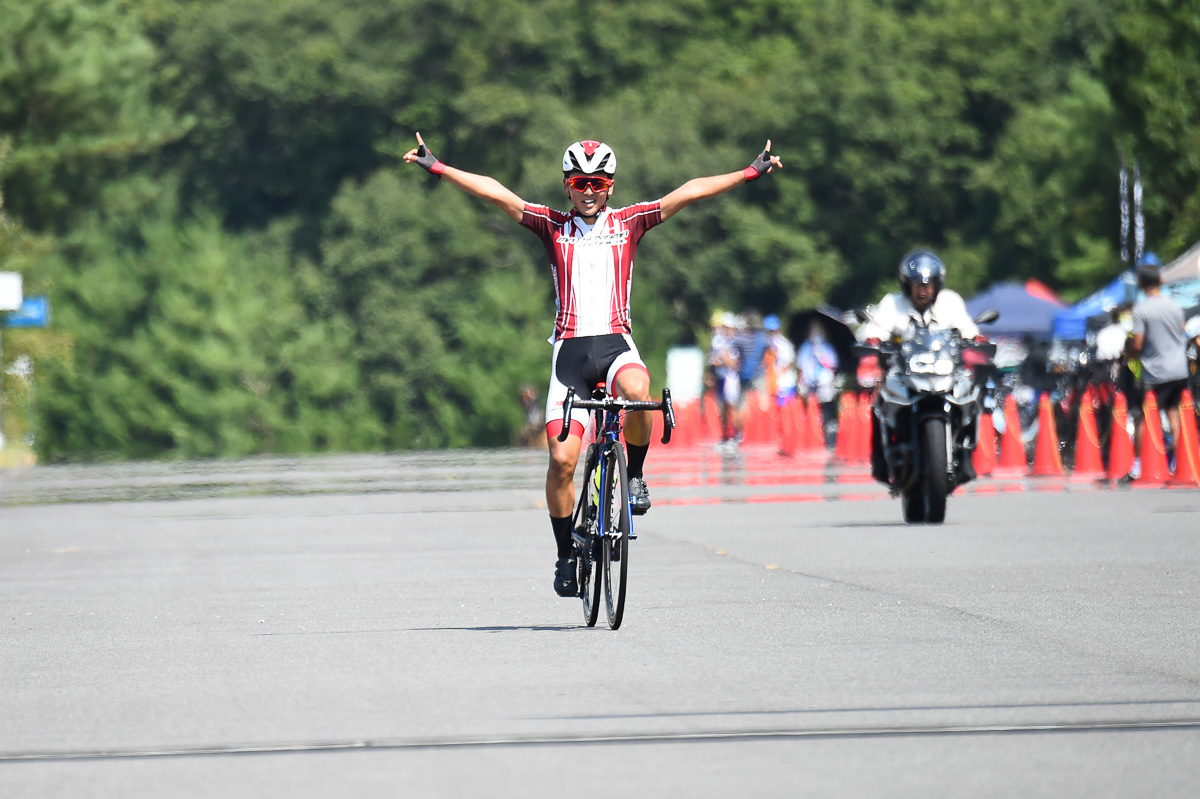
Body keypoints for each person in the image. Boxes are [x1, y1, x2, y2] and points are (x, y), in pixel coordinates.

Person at [404, 132, 782, 597]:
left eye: (597, 182)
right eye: (580, 182)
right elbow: (495, 192)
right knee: (562, 463)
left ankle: (637, 477)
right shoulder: (550, 225)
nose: (588, 191)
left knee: (640, 393)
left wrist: (749, 172)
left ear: (611, 186)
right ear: (567, 185)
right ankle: (565, 556)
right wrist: (437, 166)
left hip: (616, 346)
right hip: (569, 355)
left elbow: (689, 191)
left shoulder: (630, 222)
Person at [858, 249, 983, 485]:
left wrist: (977, 339)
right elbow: (875, 329)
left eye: (928, 284)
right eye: (916, 284)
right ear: (907, 285)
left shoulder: (950, 302)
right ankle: (880, 462)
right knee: (879, 404)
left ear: (938, 284)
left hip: (944, 370)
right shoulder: (892, 303)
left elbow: (968, 328)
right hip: (904, 372)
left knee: (971, 394)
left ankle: (965, 456)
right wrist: (873, 340)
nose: (922, 289)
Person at [1121, 261, 1189, 482]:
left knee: (1145, 417)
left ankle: (1138, 467)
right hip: (1179, 369)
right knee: (1175, 417)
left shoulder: (1142, 309)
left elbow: (1138, 343)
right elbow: (1182, 332)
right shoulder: (1175, 305)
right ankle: (1179, 465)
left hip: (1155, 371)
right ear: (1160, 281)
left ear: (1140, 284)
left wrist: (1128, 353)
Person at [797, 320, 839, 433]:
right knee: (811, 406)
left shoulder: (827, 347)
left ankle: (825, 430)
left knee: (825, 407)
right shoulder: (805, 347)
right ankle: (811, 431)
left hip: (824, 381)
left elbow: (833, 364)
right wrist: (801, 381)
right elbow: (801, 365)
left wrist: (822, 357)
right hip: (810, 382)